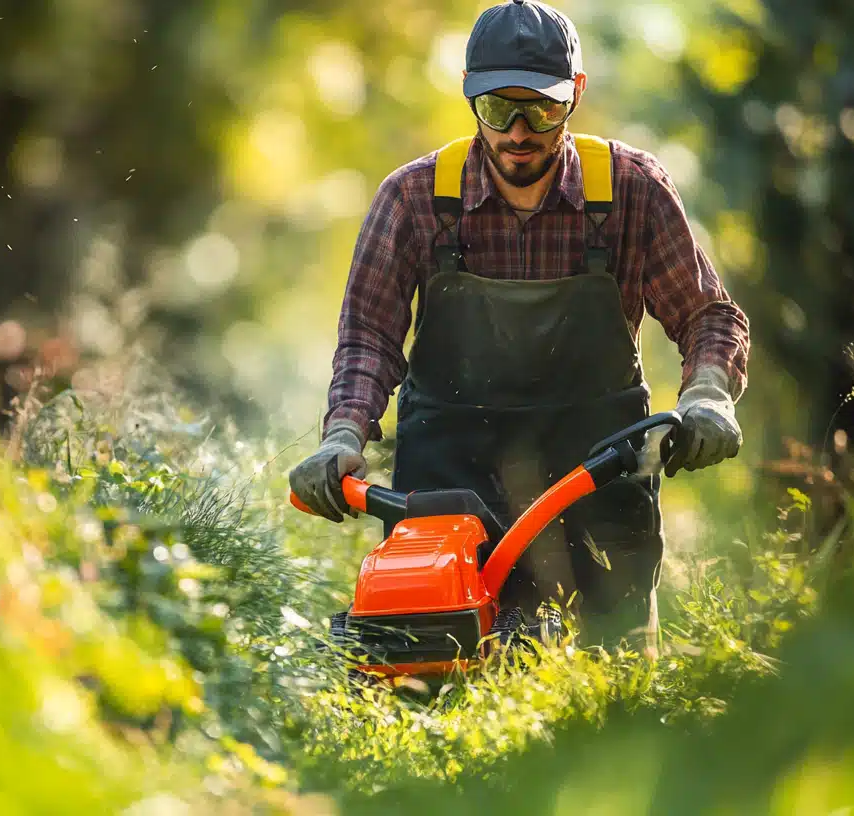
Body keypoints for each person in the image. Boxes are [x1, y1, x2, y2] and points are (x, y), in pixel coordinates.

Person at [289, 0, 749, 650]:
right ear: (469, 97)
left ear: (576, 95)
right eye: (499, 109)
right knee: (432, 691)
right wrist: (341, 436)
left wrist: (707, 395)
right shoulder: (415, 199)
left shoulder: (631, 190)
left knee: (607, 705)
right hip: (447, 493)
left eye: (542, 109)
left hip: (598, 481)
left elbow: (708, 315)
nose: (519, 130)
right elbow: (369, 338)